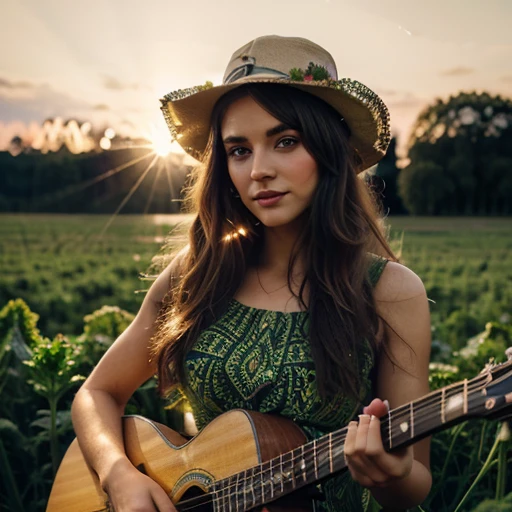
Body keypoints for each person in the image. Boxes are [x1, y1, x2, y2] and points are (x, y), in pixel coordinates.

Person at [71, 35, 432, 511]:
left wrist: (392, 475)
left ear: (329, 153)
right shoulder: (196, 275)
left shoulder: (389, 291)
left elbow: (417, 483)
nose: (258, 170)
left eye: (285, 141)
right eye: (238, 150)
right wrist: (118, 474)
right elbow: (97, 392)